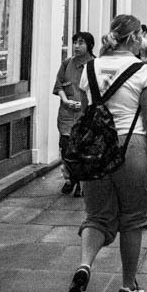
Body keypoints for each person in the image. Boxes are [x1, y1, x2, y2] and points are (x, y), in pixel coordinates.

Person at [65, 13, 147, 292]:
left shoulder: (91, 68)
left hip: (94, 150)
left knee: (96, 216)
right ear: (135, 37)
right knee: (133, 219)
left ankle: (85, 266)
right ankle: (128, 285)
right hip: (130, 147)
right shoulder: (143, 71)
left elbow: (87, 116)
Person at [53, 31, 95, 197]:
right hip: (67, 115)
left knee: (83, 150)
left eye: (81, 43)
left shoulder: (95, 65)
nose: (76, 46)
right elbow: (58, 86)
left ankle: (81, 183)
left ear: (89, 45)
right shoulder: (67, 63)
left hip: (86, 115)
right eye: (75, 43)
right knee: (66, 149)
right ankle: (71, 179)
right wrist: (65, 100)